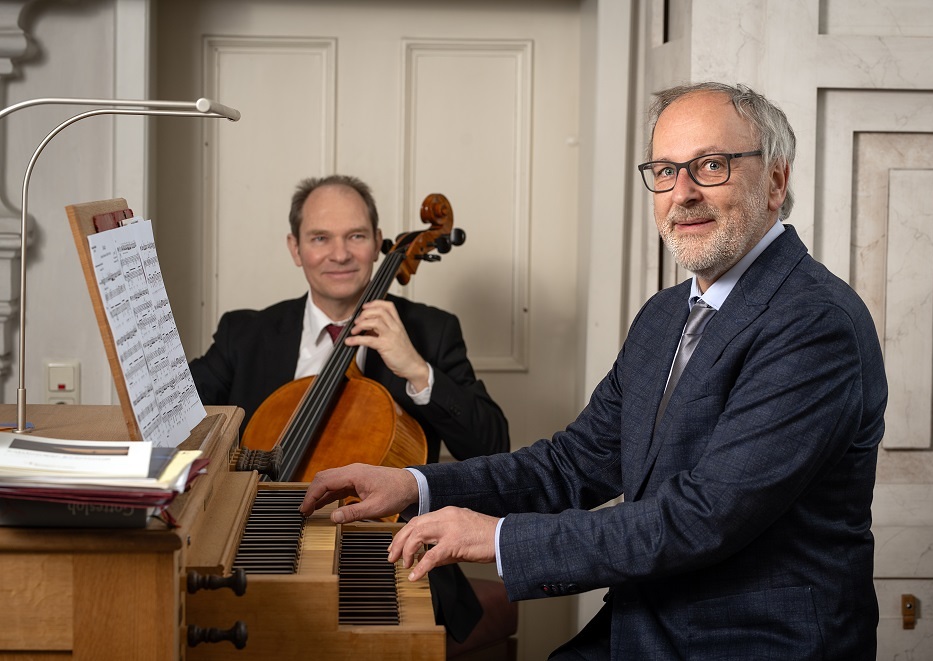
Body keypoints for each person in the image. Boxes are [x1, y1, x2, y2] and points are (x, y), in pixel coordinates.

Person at [299, 82, 888, 660]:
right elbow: (573, 462)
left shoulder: (814, 323)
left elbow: (702, 520)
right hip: (649, 619)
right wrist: (416, 485)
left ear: (776, 180)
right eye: (664, 170)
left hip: (751, 639)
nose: (681, 193)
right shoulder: (665, 315)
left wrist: (495, 537)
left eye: (711, 165)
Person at [189, 174, 511, 641]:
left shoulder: (431, 331)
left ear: (379, 244)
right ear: (295, 248)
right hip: (259, 545)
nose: (339, 254)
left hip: (387, 552)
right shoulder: (246, 334)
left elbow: (493, 445)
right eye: (320, 238)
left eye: (355, 236)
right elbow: (174, 411)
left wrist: (418, 370)